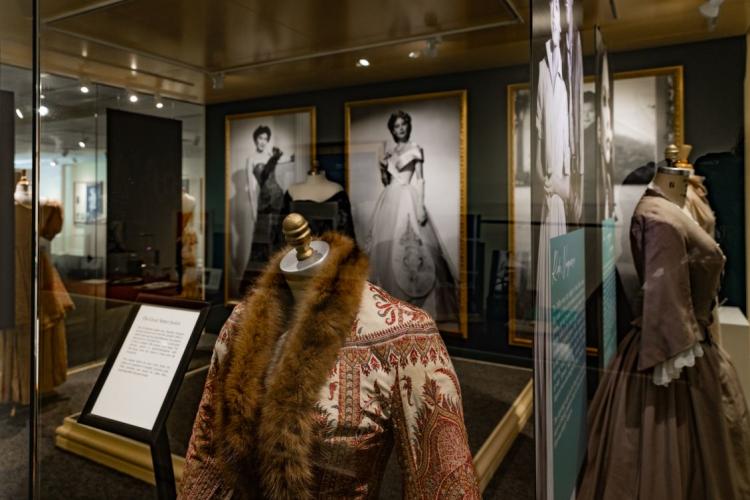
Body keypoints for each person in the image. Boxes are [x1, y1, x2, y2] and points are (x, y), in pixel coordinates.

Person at [365, 110, 459, 324]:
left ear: (408, 126)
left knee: (414, 245)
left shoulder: (415, 148)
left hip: (409, 196)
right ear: (392, 129)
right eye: (397, 126)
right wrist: (382, 168)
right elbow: (386, 181)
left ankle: (419, 304)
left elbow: (420, 179)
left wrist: (420, 206)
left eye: (403, 124)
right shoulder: (390, 151)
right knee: (387, 249)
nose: (401, 129)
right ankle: (390, 302)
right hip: (390, 198)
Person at [229, 125, 292, 296]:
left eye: (265, 138)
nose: (263, 141)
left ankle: (281, 284)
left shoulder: (272, 155)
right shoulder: (251, 158)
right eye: (260, 138)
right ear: (255, 139)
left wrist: (278, 155)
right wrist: (253, 211)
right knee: (262, 241)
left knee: (277, 237)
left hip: (278, 198)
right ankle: (262, 286)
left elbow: (291, 159)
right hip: (264, 201)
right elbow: (250, 186)